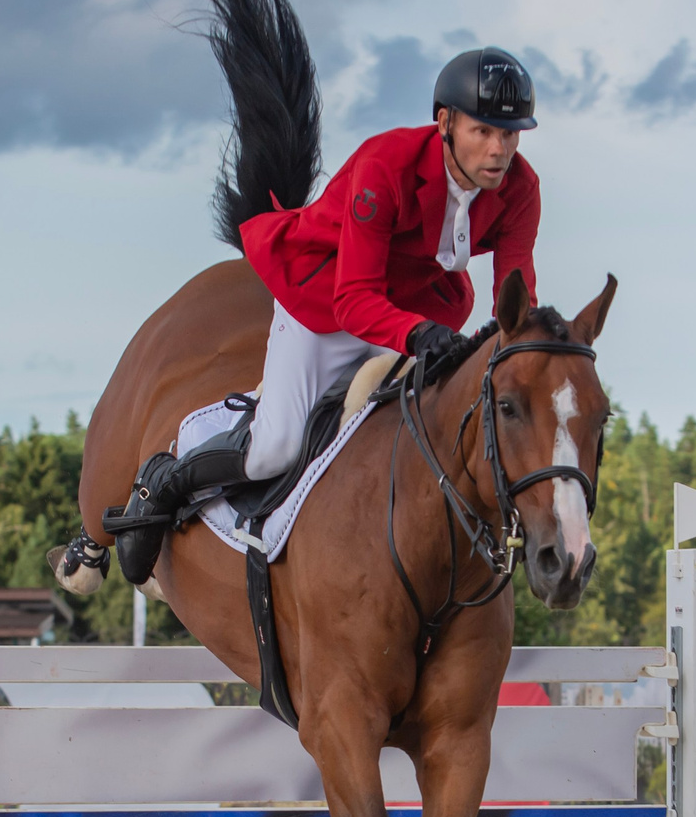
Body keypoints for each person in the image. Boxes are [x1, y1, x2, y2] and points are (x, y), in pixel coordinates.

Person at [110, 46, 542, 584]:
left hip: (416, 307)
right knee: (276, 449)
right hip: (328, 300)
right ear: (445, 123)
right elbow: (354, 298)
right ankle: (168, 479)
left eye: (512, 134)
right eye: (484, 132)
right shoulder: (386, 165)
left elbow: (515, 291)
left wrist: (527, 348)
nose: (500, 150)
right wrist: (418, 334)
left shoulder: (521, 188)